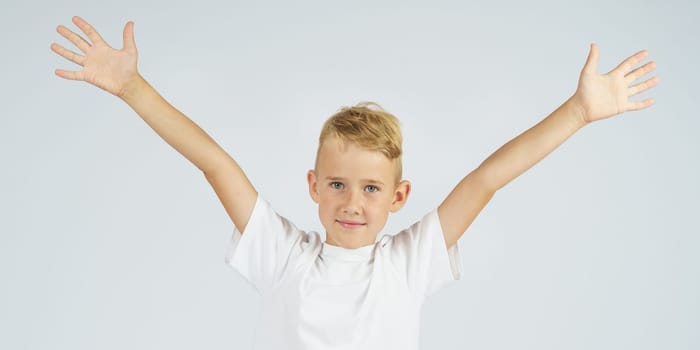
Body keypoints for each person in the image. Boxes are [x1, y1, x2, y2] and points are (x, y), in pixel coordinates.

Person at [51, 16, 658, 350]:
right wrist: (132, 88)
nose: (351, 202)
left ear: (398, 197)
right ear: (313, 185)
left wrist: (577, 112)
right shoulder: (282, 254)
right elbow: (213, 162)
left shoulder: (408, 263)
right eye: (338, 184)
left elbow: (486, 180)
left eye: (371, 189)